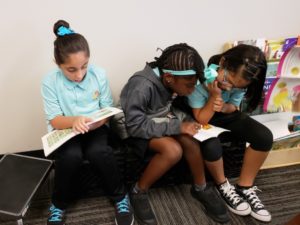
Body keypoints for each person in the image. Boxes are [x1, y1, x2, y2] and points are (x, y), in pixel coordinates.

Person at [118, 43, 229, 224]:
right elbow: (135, 126)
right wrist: (177, 127)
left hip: (161, 118)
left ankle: (200, 187)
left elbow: (169, 110)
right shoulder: (141, 86)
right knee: (173, 150)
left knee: (191, 138)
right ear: (169, 78)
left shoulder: (170, 76)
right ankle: (138, 190)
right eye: (189, 86)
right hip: (135, 126)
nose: (192, 90)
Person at [41, 20, 133, 225]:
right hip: (66, 129)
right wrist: (75, 121)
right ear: (58, 64)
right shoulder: (49, 81)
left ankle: (120, 197)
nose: (79, 74)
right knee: (70, 157)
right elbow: (55, 119)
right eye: (71, 69)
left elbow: (107, 109)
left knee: (98, 152)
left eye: (84, 66)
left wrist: (94, 123)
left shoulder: (98, 74)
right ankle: (58, 203)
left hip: (96, 126)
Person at [188, 44, 273, 222]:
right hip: (201, 115)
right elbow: (201, 118)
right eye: (229, 81)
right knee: (212, 145)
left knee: (264, 137)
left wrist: (226, 107)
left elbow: (234, 106)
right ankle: (223, 185)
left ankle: (245, 186)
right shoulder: (200, 78)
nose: (229, 88)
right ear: (223, 62)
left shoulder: (242, 82)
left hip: (224, 113)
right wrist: (213, 96)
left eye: (238, 87)